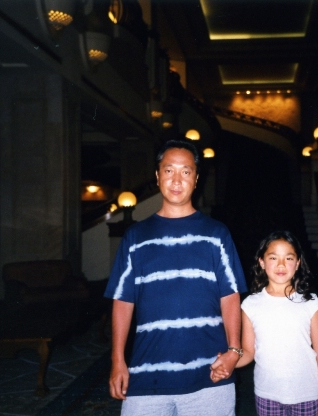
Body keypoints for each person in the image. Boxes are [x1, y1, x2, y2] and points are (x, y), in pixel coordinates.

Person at [105, 139, 248, 416]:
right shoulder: (135, 237)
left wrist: (234, 351)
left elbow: (230, 296)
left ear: (196, 179)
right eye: (169, 170)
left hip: (211, 375)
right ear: (158, 176)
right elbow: (123, 302)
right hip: (147, 374)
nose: (177, 180)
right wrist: (117, 360)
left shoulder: (217, 234)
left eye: (186, 171)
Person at [211, 230, 318, 416]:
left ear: (298, 263)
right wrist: (229, 361)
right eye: (273, 258)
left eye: (289, 258)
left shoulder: (311, 303)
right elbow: (249, 352)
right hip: (267, 396)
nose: (281, 264)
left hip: (307, 395)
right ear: (262, 262)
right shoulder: (250, 305)